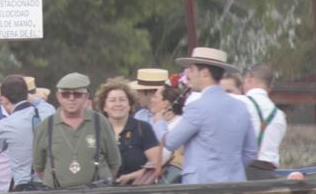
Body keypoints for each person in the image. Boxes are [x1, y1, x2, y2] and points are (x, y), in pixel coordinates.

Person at [155, 48, 256, 185]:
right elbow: (250, 151)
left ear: (205, 72)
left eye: (192, 69)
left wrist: (159, 123)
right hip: (235, 182)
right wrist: (229, 170)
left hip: (202, 185)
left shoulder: (197, 107)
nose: (188, 74)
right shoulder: (241, 107)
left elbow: (171, 142)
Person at [33, 74, 120, 189]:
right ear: (58, 97)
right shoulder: (45, 126)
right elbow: (39, 168)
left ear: (86, 97)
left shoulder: (100, 122)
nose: (71, 98)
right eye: (65, 94)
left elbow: (114, 163)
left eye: (77, 94)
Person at [96, 80, 161, 185]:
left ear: (130, 105)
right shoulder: (95, 130)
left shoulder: (143, 128)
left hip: (139, 193)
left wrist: (130, 177)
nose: (118, 104)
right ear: (104, 107)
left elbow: (157, 166)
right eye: (112, 100)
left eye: (122, 100)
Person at [0, 75, 49, 190]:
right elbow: (41, 103)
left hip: (23, 187)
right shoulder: (48, 111)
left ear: (4, 100)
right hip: (49, 185)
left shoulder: (6, 124)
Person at [242, 64, 288, 179]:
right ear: (270, 88)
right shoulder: (280, 115)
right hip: (269, 175)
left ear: (249, 77)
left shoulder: (241, 103)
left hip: (244, 173)